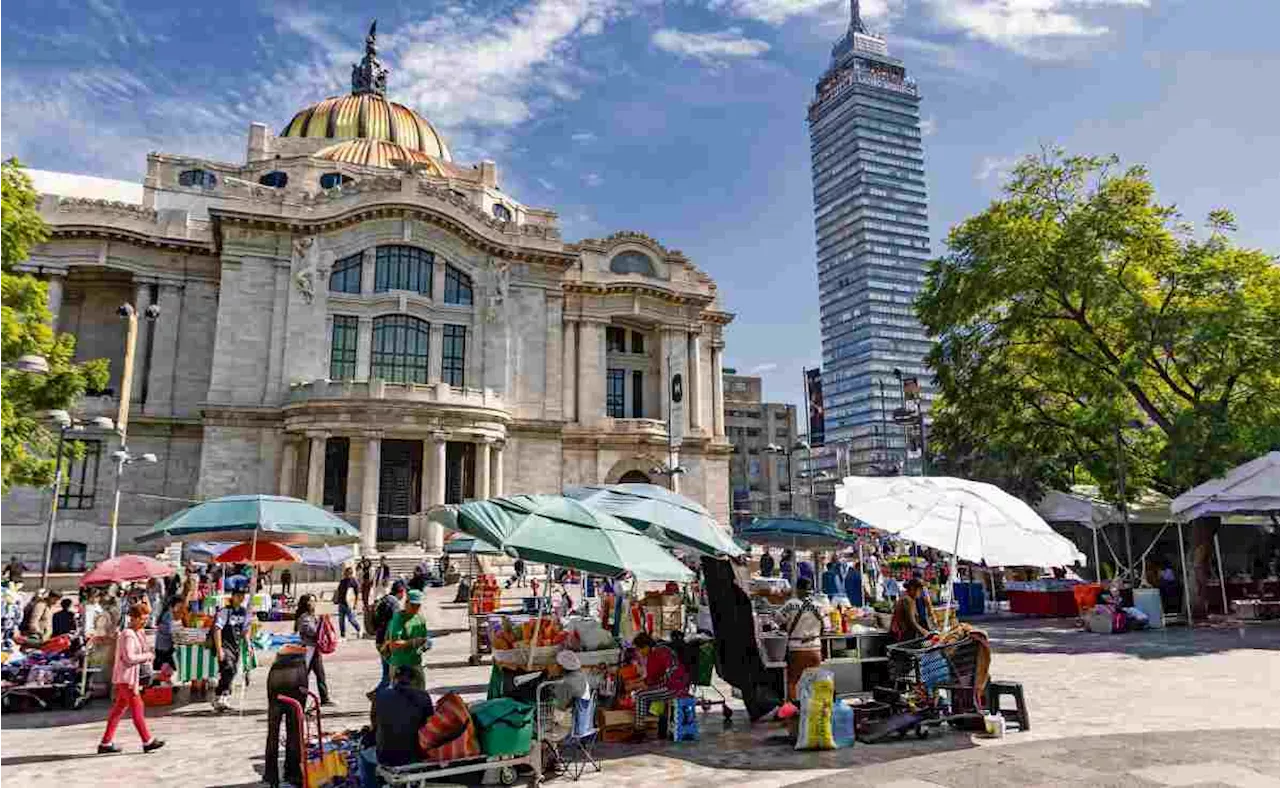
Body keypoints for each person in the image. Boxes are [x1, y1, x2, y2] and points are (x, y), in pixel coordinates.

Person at [97, 603, 165, 754]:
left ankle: (106, 743)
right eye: (142, 618)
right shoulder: (128, 634)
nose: (144, 621)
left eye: (146, 618)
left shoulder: (138, 632)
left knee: (119, 709)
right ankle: (147, 741)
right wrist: (147, 656)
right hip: (127, 678)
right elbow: (129, 657)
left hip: (128, 678)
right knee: (137, 707)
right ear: (132, 618)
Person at [263, 643, 310, 788]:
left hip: (276, 673)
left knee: (273, 730)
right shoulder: (303, 654)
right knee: (294, 729)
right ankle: (293, 773)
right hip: (296, 673)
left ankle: (271, 775)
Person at [773, 577, 825, 701]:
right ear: (811, 590)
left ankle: (795, 709)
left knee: (793, 681)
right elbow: (826, 626)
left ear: (797, 589)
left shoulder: (791, 604)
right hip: (815, 648)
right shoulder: (819, 605)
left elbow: (778, 618)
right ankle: (812, 709)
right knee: (813, 682)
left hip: (797, 648)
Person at [372, 665, 435, 768]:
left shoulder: (380, 695)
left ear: (394, 679)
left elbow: (374, 724)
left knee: (364, 753)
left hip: (385, 756)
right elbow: (429, 726)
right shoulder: (423, 696)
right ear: (414, 681)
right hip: (414, 755)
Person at [631, 632, 690, 732]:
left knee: (640, 696)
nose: (639, 652)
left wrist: (633, 685)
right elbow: (654, 678)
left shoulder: (655, 654)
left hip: (673, 686)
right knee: (645, 693)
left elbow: (651, 680)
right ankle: (652, 723)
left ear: (646, 646)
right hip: (680, 683)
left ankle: (639, 729)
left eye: (639, 649)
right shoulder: (662, 648)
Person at [210, 588, 251, 712]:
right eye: (238, 595)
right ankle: (220, 695)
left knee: (232, 671)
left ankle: (222, 696)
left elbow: (246, 630)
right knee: (228, 668)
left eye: (243, 595)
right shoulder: (225, 611)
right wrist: (219, 650)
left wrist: (248, 644)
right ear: (232, 596)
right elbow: (217, 629)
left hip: (236, 646)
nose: (241, 598)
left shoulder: (244, 612)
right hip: (225, 645)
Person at [382, 589, 431, 690]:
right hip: (400, 665)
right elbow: (393, 645)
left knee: (420, 695)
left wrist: (426, 645)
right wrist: (412, 643)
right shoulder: (398, 619)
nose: (415, 608)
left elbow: (423, 639)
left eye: (418, 606)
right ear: (406, 603)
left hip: (416, 663)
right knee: (401, 698)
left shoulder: (420, 619)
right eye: (413, 605)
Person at [294, 594, 332, 706]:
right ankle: (299, 698)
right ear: (306, 603)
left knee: (320, 674)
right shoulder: (304, 617)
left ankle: (324, 698)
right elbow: (312, 632)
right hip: (308, 649)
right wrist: (321, 625)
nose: (313, 603)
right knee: (304, 675)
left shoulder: (312, 616)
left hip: (315, 649)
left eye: (314, 601)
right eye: (311, 601)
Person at [372, 581, 407, 692]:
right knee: (389, 674)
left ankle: (381, 696)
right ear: (401, 592)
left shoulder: (386, 599)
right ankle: (377, 695)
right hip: (387, 641)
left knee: (387, 672)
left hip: (380, 639)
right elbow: (394, 625)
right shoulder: (394, 603)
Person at [891, 578, 932, 643]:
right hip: (904, 634)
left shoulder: (907, 597)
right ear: (912, 588)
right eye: (920, 589)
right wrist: (924, 631)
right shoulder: (908, 600)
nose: (921, 592)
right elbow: (912, 621)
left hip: (905, 633)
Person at [153, 596, 182, 676]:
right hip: (164, 647)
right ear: (172, 606)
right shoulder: (168, 614)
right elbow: (169, 630)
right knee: (168, 666)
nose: (179, 609)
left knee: (161, 667)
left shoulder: (166, 613)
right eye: (178, 606)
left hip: (161, 645)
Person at [334, 567, 361, 638]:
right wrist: (336, 599)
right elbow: (338, 591)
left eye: (349, 573)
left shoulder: (354, 581)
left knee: (351, 619)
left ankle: (358, 629)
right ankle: (343, 635)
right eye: (346, 573)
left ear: (351, 573)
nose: (347, 574)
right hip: (341, 603)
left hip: (349, 604)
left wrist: (355, 604)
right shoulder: (342, 581)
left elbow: (356, 594)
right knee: (341, 620)